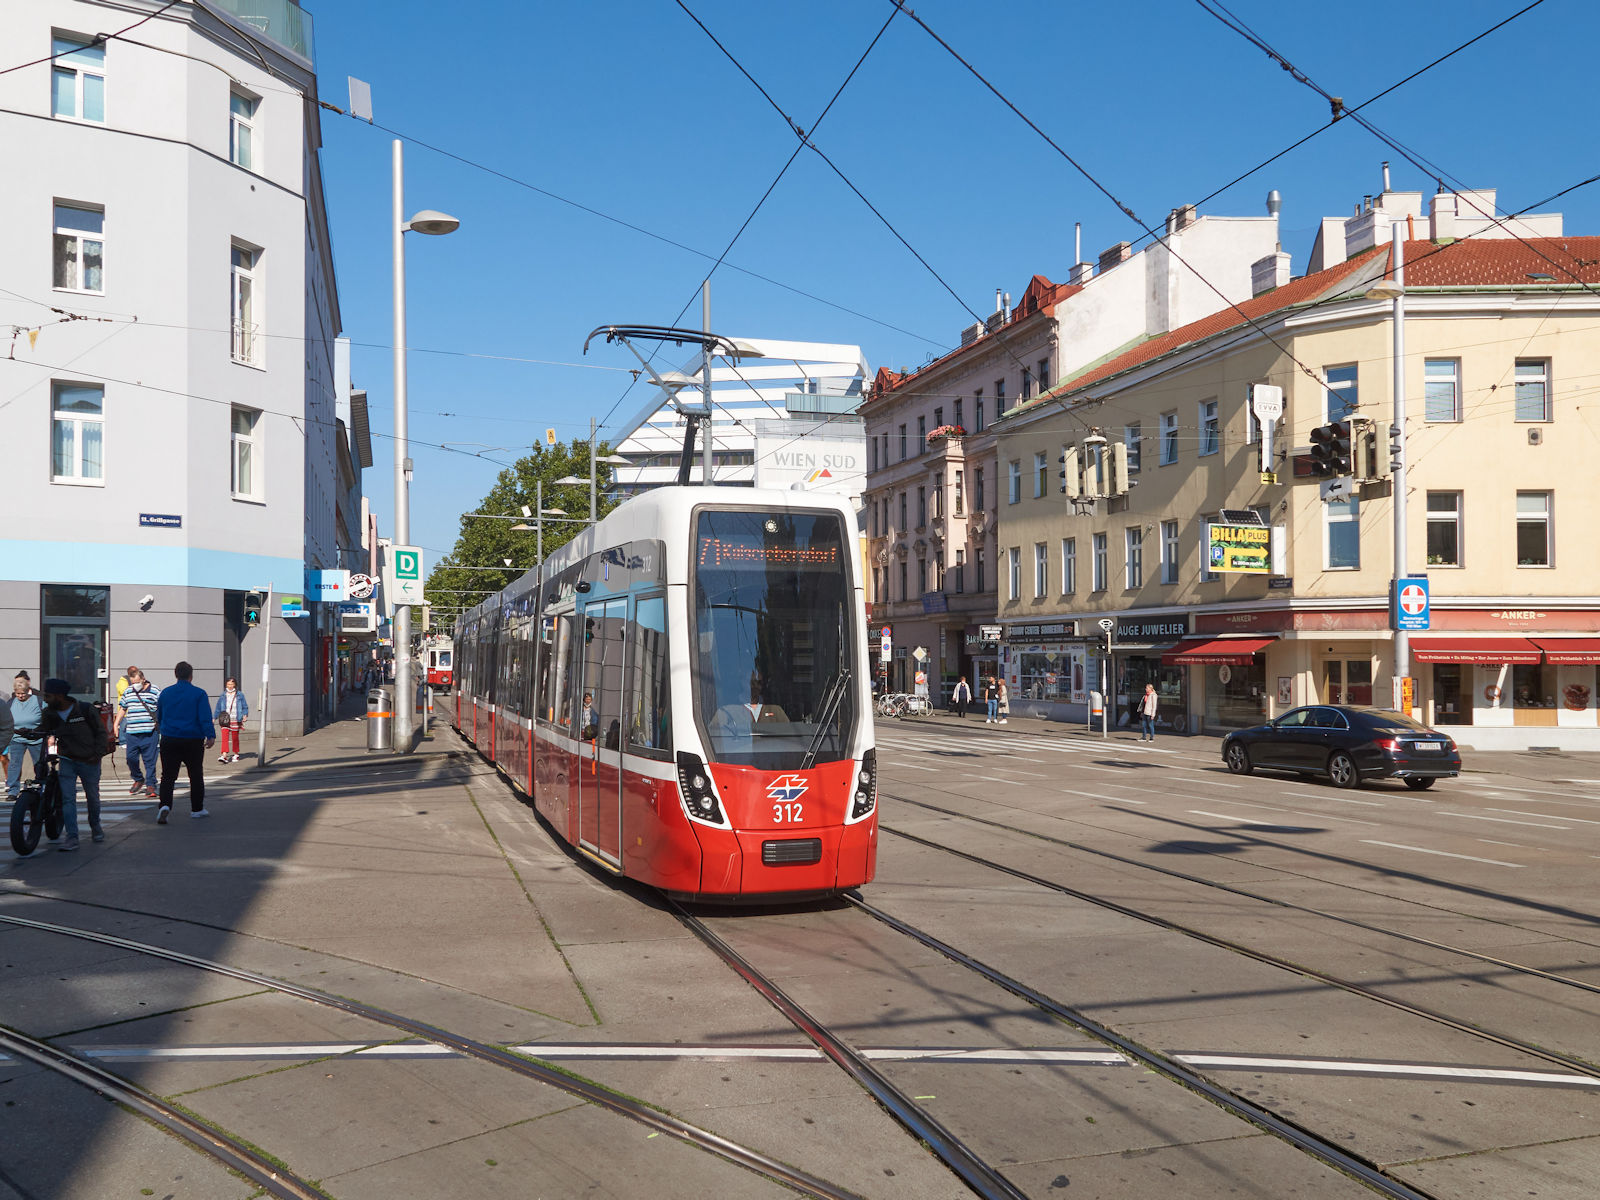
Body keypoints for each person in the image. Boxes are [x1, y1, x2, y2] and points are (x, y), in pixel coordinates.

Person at [38, 678, 106, 849]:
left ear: (59, 696)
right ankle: (72, 837)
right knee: (68, 799)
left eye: (48, 696)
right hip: (67, 760)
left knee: (92, 797)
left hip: (89, 761)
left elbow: (101, 733)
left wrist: (97, 755)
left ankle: (96, 826)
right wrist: (28, 732)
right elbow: (43, 730)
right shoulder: (49, 713)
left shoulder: (85, 709)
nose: (45, 699)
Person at [154, 661, 216, 824]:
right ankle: (197, 809)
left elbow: (159, 716)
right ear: (191, 675)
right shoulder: (199, 694)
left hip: (169, 738)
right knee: (195, 775)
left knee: (167, 776)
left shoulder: (165, 693)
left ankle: (164, 805)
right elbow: (204, 716)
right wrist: (210, 735)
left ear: (176, 674)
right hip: (192, 739)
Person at [114, 666, 161, 797]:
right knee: (131, 759)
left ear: (143, 679)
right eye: (132, 683)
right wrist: (116, 724)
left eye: (137, 683)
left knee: (150, 761)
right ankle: (138, 779)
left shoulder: (155, 690)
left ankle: (151, 785)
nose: (135, 686)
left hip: (150, 732)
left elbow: (162, 706)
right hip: (132, 733)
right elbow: (123, 708)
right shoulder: (128, 691)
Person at [7, 672, 43, 798]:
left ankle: (41, 785)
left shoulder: (38, 701)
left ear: (28, 691)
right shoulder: (11, 702)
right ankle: (12, 790)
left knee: (39, 763)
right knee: (15, 764)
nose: (20, 696)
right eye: (18, 694)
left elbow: (49, 716)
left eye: (23, 693)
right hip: (16, 737)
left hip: (36, 737)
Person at [215, 678, 248, 763]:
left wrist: (245, 714)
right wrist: (214, 717)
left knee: (235, 737)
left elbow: (245, 706)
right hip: (225, 719)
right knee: (224, 737)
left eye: (231, 684)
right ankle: (224, 755)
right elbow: (218, 707)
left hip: (236, 718)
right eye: (228, 684)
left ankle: (236, 754)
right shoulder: (223, 695)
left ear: (235, 685)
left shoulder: (240, 695)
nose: (229, 686)